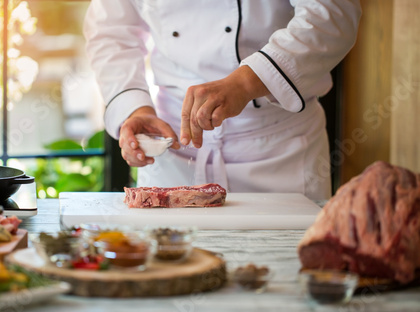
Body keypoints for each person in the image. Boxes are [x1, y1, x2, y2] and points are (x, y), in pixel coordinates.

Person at [84, 0, 361, 200]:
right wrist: (136, 109)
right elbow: (111, 32)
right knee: (173, 270)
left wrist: (247, 81)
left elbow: (331, 14)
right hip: (173, 152)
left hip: (280, 152)